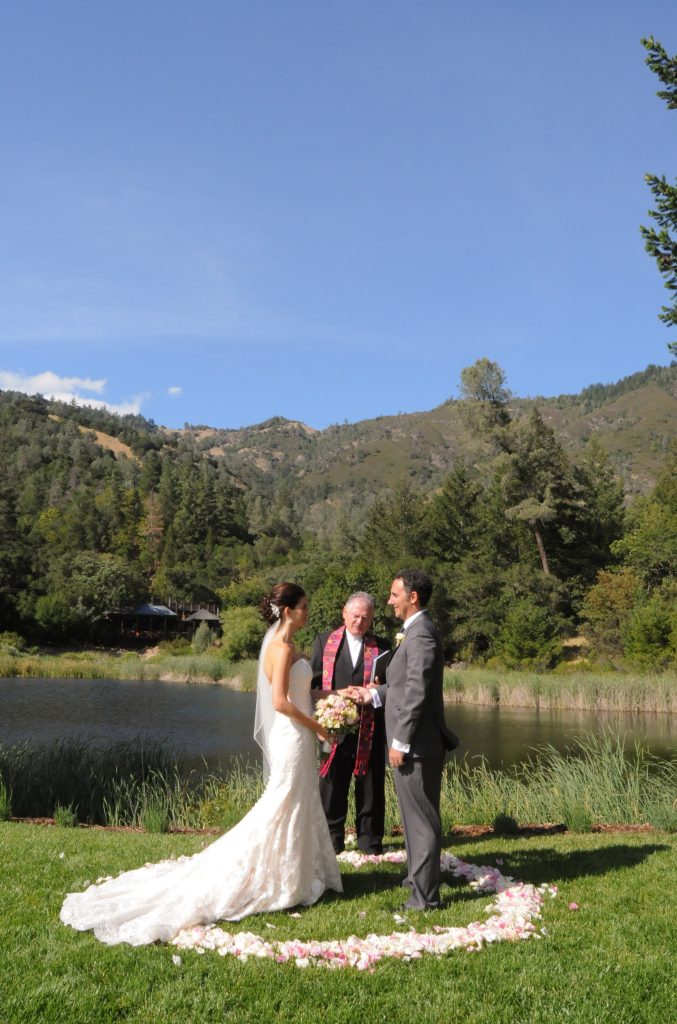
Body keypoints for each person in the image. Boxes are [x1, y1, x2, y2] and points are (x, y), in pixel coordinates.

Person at [60, 583, 342, 946]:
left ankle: (297, 874)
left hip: (297, 735)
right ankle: (279, 877)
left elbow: (300, 694)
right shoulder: (282, 648)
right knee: (282, 804)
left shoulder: (286, 646)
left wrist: (331, 697)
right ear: (287, 611)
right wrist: (319, 726)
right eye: (303, 606)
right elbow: (281, 703)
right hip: (293, 734)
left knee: (297, 803)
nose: (307, 611)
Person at [348, 569, 458, 911]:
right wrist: (373, 695)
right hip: (411, 743)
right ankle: (416, 879)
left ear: (413, 597)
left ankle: (425, 899)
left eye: (395, 594)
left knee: (422, 821)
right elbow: (400, 687)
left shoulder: (422, 634)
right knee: (412, 818)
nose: (389, 601)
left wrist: (401, 741)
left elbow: (418, 692)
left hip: (417, 745)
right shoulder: (412, 633)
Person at [310, 592, 390, 854]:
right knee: (332, 785)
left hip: (371, 728)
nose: (359, 621)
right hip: (335, 728)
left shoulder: (383, 646)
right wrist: (327, 715)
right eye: (355, 615)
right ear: (344, 613)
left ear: (372, 619)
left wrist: (374, 692)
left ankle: (370, 842)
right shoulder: (324, 642)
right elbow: (313, 686)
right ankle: (331, 842)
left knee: (371, 786)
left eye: (366, 617)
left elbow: (389, 687)